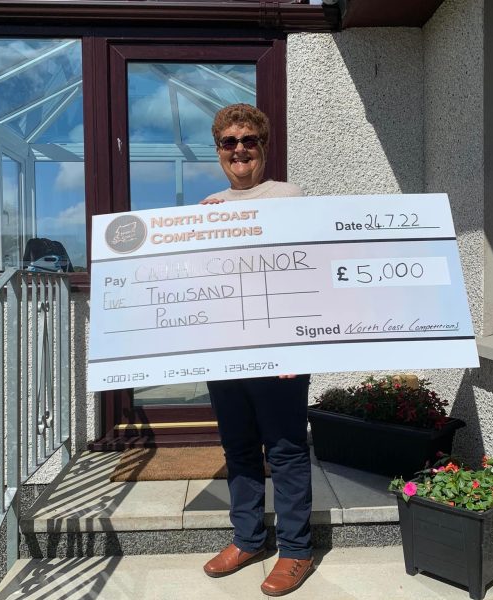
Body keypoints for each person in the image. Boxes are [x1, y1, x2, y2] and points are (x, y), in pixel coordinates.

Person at [201, 103, 314, 597]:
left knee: (285, 451)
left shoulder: (289, 197)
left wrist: (296, 346)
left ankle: (296, 550)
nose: (240, 149)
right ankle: (247, 539)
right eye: (229, 142)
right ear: (219, 151)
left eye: (249, 140)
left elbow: (307, 271)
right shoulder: (208, 208)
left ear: (263, 146)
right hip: (225, 350)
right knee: (239, 448)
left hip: (280, 352)